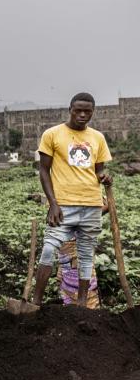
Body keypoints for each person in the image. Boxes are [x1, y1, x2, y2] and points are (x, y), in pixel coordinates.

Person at [32, 92, 112, 308]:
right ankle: (35, 303)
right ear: (70, 109)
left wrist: (103, 176)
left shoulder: (97, 138)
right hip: (63, 205)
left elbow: (99, 169)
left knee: (86, 255)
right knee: (49, 248)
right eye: (78, 110)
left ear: (93, 112)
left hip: (92, 204)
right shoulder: (52, 134)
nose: (83, 114)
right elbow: (44, 170)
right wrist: (53, 203)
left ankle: (83, 304)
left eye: (88, 111)